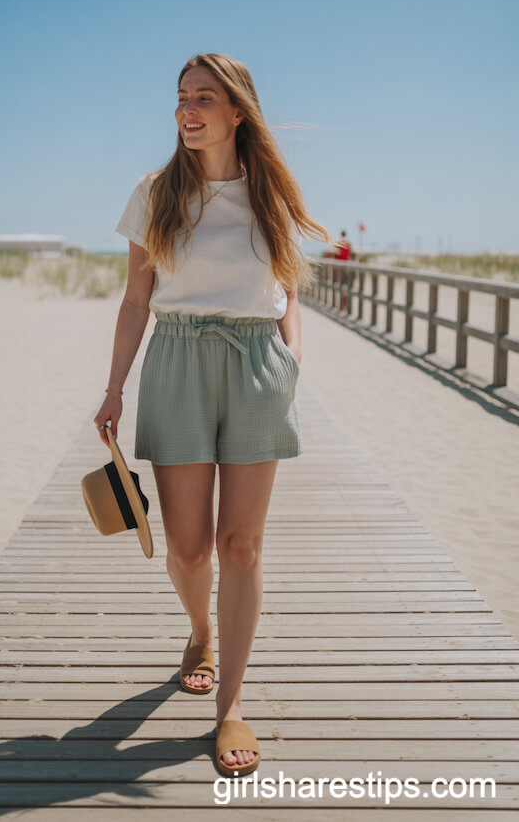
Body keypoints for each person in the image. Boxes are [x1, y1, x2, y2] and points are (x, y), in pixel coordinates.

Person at [93, 53, 339, 777]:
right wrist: (113, 391)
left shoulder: (269, 193)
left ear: (238, 111)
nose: (187, 110)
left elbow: (291, 291)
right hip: (176, 359)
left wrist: (292, 358)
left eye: (203, 97)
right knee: (190, 548)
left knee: (242, 546)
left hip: (257, 362)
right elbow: (137, 298)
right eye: (180, 98)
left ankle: (229, 707)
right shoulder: (154, 192)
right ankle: (199, 629)